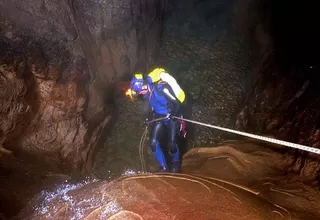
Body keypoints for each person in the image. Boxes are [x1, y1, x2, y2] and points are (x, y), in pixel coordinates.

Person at [130, 68, 187, 173]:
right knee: (153, 142)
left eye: (140, 91)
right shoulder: (147, 94)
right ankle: (163, 167)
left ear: (143, 85)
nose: (140, 94)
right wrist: (149, 117)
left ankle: (176, 162)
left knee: (171, 144)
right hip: (160, 118)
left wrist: (174, 113)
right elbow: (153, 107)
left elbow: (178, 102)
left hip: (173, 118)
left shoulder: (161, 88)